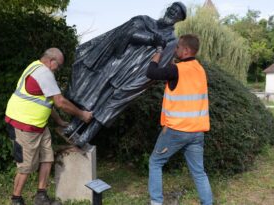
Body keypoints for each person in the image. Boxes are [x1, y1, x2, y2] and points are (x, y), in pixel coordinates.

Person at [62, 2, 187, 147]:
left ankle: (85, 137)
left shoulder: (172, 41)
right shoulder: (144, 20)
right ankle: (73, 125)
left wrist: (140, 84)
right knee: (94, 96)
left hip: (134, 76)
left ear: (180, 18)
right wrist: (152, 39)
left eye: (176, 12)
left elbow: (160, 65)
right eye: (172, 8)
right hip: (116, 64)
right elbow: (126, 33)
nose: (172, 12)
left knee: (110, 107)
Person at [4, 48, 93, 205]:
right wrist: (82, 114)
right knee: (26, 166)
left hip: (38, 125)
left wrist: (58, 120)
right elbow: (59, 102)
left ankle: (41, 196)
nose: (57, 69)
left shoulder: (35, 66)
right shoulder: (44, 73)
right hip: (24, 125)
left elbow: (46, 101)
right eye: (58, 66)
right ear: (52, 61)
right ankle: (16, 199)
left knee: (47, 157)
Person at [147, 34, 213, 205]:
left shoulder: (177, 70)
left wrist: (159, 50)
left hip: (176, 130)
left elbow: (151, 72)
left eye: (177, 47)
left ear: (185, 50)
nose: (175, 50)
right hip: (197, 132)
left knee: (155, 162)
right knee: (199, 172)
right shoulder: (200, 70)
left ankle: (156, 202)